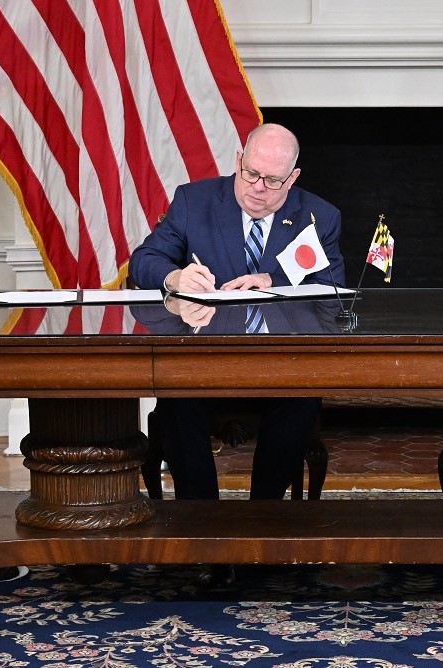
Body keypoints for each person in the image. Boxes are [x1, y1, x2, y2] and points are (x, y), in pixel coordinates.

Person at [129, 123, 345, 586]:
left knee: (301, 397)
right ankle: (204, 529)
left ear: (293, 178)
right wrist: (175, 278)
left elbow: (334, 291)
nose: (258, 188)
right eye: (251, 174)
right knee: (177, 400)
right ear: (237, 161)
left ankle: (260, 524)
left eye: (273, 181)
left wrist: (277, 282)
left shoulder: (317, 217)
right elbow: (143, 262)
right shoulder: (195, 202)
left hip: (280, 364)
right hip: (206, 360)